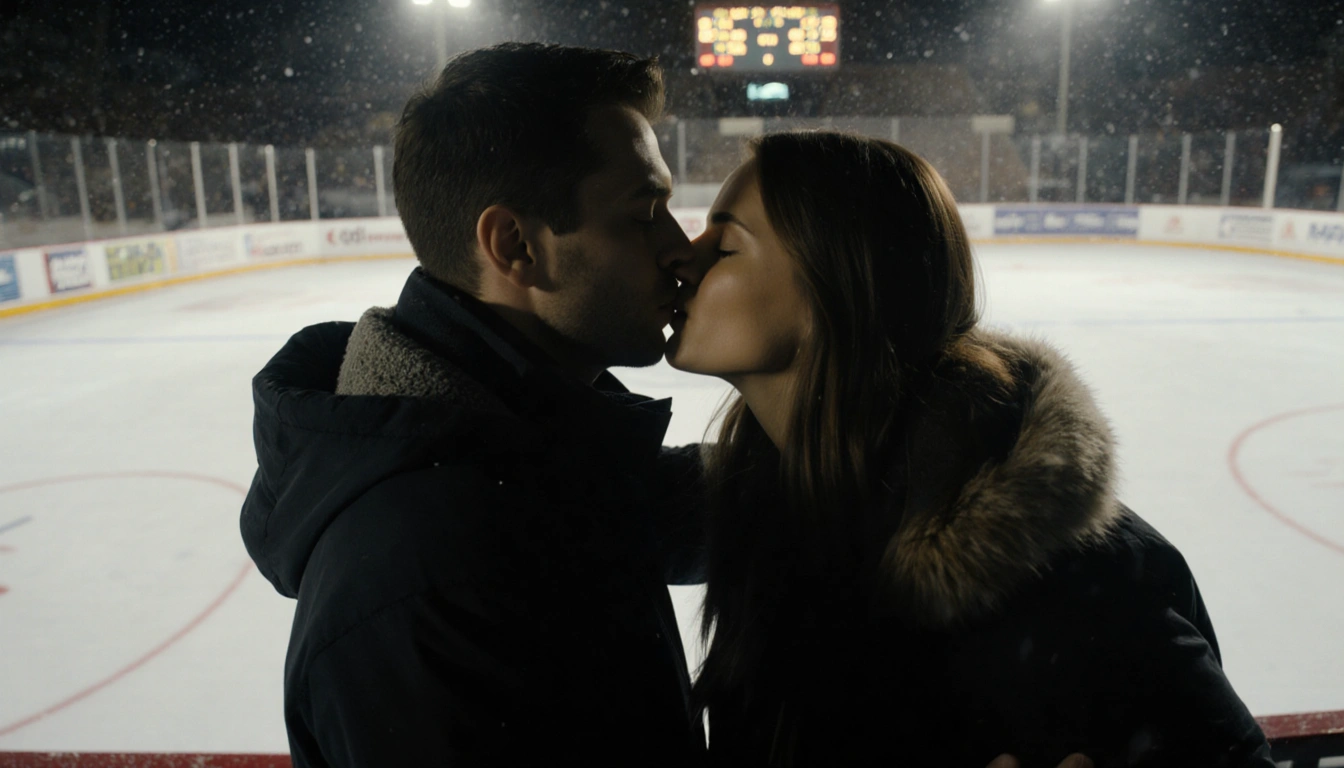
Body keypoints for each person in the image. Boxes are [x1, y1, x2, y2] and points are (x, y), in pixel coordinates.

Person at [665, 131, 1276, 767]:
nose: (684, 256)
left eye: (726, 243)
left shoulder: (1076, 579)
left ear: (836, 294)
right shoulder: (767, 500)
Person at [239, 43, 708, 766]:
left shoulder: (529, 449)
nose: (684, 251)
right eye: (645, 214)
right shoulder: (432, 578)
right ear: (516, 245)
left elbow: (721, 505)